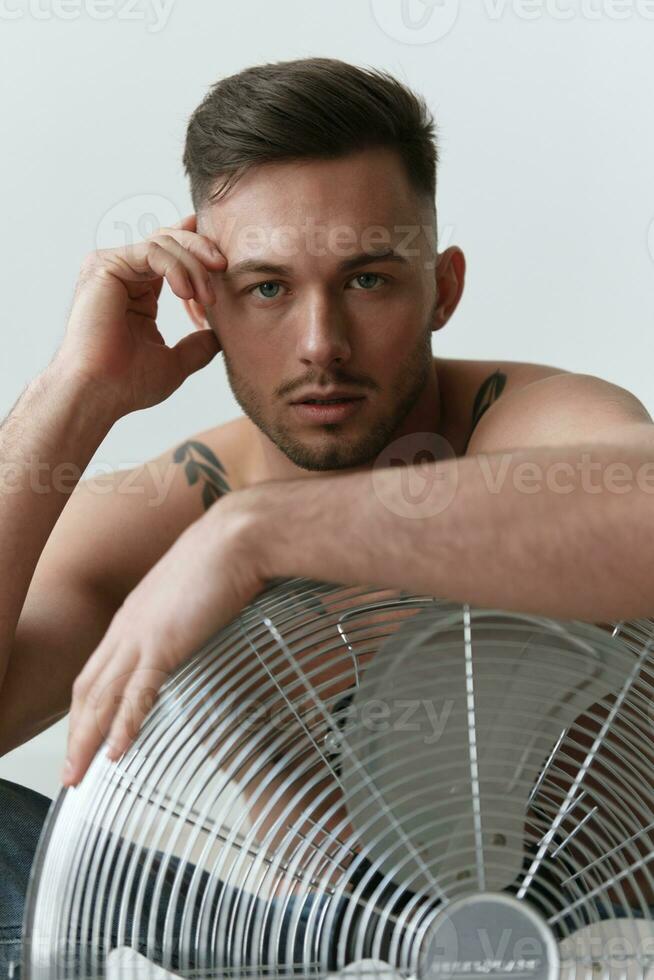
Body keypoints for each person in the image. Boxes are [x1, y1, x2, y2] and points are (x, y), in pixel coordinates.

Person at [2, 56, 653, 979]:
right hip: (315, 950)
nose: (320, 346)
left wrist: (257, 535)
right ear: (205, 304)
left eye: (367, 281)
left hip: (576, 945)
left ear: (445, 288)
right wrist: (69, 396)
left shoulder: (530, 425)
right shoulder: (175, 501)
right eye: (267, 288)